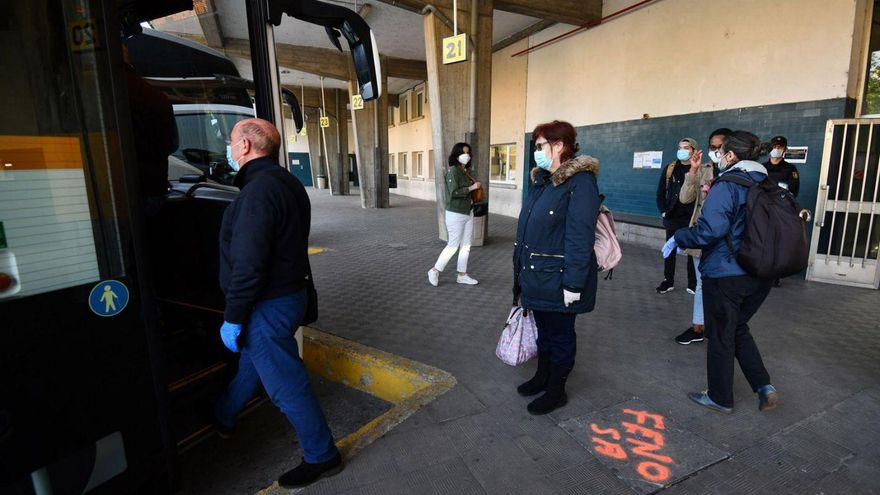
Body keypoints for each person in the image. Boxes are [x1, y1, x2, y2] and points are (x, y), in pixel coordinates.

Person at [213, 118, 342, 488]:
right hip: (289, 296)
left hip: (267, 305)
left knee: (287, 386)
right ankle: (223, 415)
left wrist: (234, 315)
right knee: (251, 363)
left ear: (246, 148)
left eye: (232, 141)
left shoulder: (257, 192)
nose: (229, 147)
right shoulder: (287, 182)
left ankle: (323, 455)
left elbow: (249, 263)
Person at [666, 130, 778, 414]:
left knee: (720, 335)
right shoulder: (766, 183)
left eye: (721, 151)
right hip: (761, 273)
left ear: (730, 155)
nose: (718, 155)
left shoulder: (727, 184)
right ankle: (763, 385)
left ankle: (719, 396)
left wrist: (680, 236)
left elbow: (710, 231)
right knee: (738, 327)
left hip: (727, 274)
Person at [513, 121, 600, 415]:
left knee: (561, 334)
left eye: (540, 146)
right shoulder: (543, 181)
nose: (536, 152)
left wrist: (574, 285)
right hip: (537, 275)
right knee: (544, 331)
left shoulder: (580, 183)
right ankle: (542, 376)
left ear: (559, 145)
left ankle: (556, 390)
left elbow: (580, 237)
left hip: (560, 278)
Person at [674, 128, 731, 345]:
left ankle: (723, 329)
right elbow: (685, 198)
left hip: (727, 242)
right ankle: (698, 326)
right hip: (703, 236)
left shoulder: (737, 172)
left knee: (725, 286)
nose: (715, 151)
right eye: (712, 147)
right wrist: (693, 171)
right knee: (701, 283)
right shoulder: (704, 170)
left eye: (720, 147)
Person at [428, 142, 481, 286]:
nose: (467, 156)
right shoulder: (453, 171)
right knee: (453, 245)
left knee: (466, 245)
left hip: (468, 212)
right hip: (455, 213)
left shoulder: (465, 171)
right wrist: (471, 188)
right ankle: (434, 270)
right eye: (463, 153)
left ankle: (462, 275)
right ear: (456, 155)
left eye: (468, 153)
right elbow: (453, 193)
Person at [655, 138, 698, 294]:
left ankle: (692, 283)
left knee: (692, 251)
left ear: (694, 150)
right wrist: (664, 210)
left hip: (691, 217)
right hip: (672, 216)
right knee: (670, 249)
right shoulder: (671, 168)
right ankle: (668, 280)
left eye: (686, 147)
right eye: (680, 147)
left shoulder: (700, 169)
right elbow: (660, 192)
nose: (682, 150)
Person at [763, 135, 804, 287]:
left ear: (785, 150)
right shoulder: (763, 167)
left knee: (777, 243)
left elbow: (793, 190)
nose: (776, 150)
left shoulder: (790, 169)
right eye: (774, 146)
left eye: (779, 147)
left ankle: (774, 276)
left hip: (780, 210)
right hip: (762, 208)